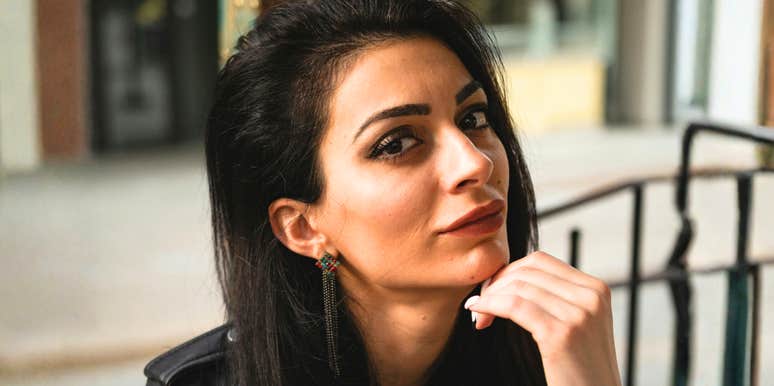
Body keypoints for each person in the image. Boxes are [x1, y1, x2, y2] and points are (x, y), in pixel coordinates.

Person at [144, 1, 621, 385]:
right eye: (396, 144)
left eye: (473, 118)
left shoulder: (556, 351)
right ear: (304, 227)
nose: (476, 163)